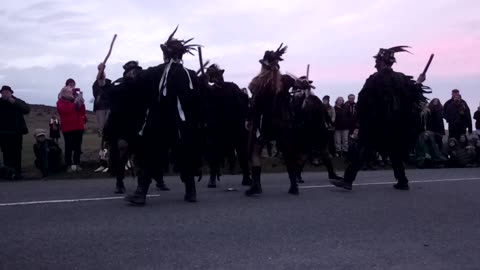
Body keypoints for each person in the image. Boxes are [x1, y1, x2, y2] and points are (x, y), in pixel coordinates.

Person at [330, 46, 429, 191]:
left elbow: (362, 100)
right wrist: (419, 81)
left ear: (381, 62)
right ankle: (402, 181)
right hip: (394, 125)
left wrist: (361, 120)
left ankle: (348, 180)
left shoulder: (374, 79)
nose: (375, 64)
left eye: (377, 61)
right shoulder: (401, 78)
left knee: (363, 150)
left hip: (376, 125)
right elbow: (413, 93)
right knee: (394, 151)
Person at [124, 26, 203, 205]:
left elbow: (136, 87)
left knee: (152, 155)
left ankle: (141, 193)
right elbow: (198, 101)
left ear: (165, 54)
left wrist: (130, 79)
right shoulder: (189, 75)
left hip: (160, 123)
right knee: (182, 155)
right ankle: (190, 192)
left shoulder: (156, 72)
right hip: (181, 124)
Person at [103, 60, 170, 194]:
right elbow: (108, 93)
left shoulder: (144, 85)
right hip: (122, 127)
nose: (134, 73)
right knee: (121, 153)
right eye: (132, 71)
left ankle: (158, 179)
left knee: (150, 154)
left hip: (141, 126)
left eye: (136, 70)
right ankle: (119, 181)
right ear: (127, 73)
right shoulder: (119, 86)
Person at [202, 64, 251, 188]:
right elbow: (204, 106)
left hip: (235, 125)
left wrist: (245, 117)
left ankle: (246, 176)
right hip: (218, 127)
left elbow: (244, 100)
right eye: (215, 76)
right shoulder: (209, 90)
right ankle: (213, 177)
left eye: (219, 75)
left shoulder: (232, 86)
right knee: (215, 153)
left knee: (242, 152)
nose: (218, 77)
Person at [0, 85, 30, 179]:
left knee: (16, 153)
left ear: (11, 93)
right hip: (3, 133)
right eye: (3, 93)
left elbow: (26, 109)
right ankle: (8, 173)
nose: (5, 94)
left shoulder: (17, 101)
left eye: (7, 92)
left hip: (16, 132)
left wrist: (13, 102)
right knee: (6, 154)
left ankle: (17, 173)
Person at [57, 79, 87, 172]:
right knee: (69, 147)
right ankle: (68, 165)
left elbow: (82, 112)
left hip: (78, 126)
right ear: (64, 93)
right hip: (68, 127)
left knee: (78, 147)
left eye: (72, 87)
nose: (71, 91)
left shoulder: (75, 98)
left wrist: (81, 103)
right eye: (69, 90)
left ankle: (77, 164)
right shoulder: (60, 102)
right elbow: (66, 111)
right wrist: (75, 101)